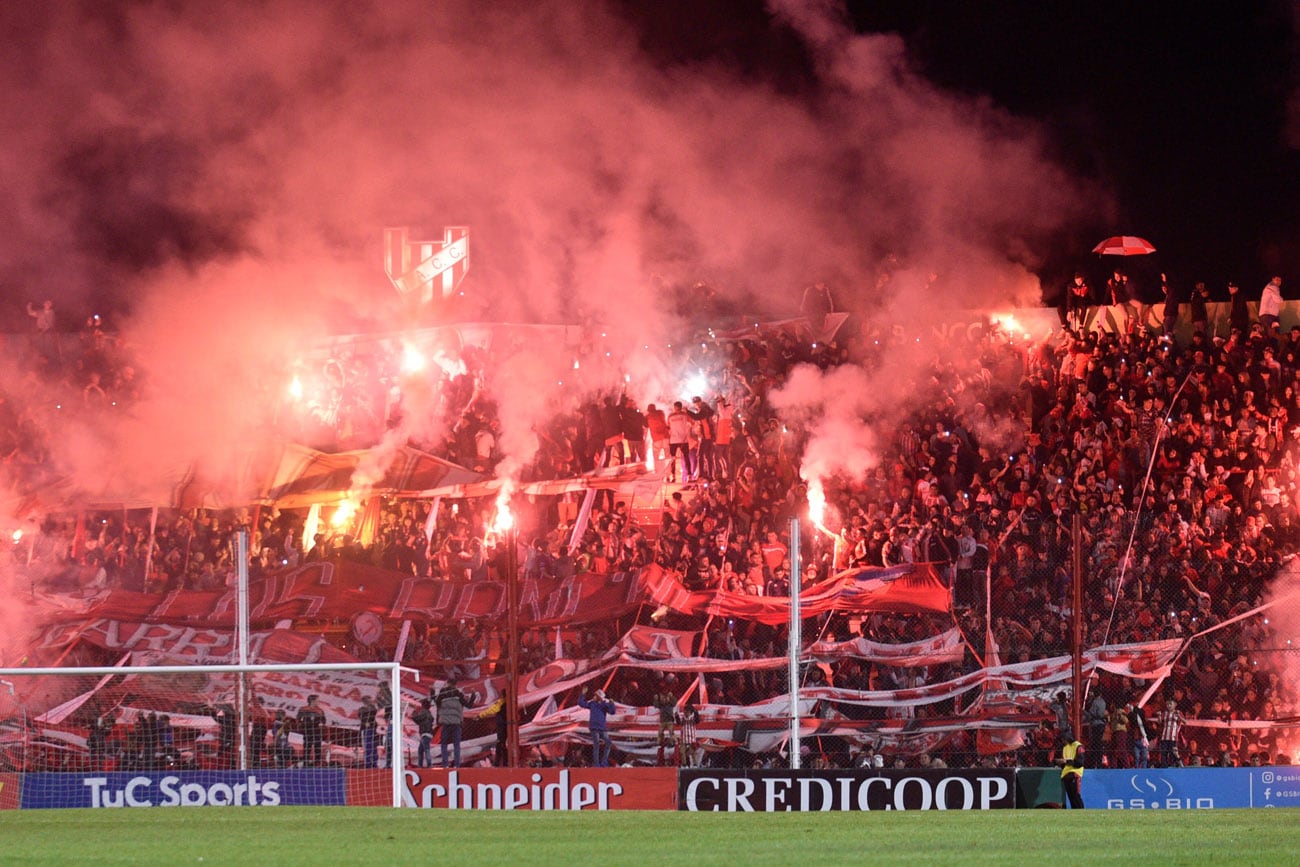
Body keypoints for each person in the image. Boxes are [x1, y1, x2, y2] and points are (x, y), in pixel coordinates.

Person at [435, 677, 471, 768]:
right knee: (456, 745)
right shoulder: (459, 694)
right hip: (456, 723)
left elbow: (437, 703)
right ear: (456, 684)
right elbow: (469, 705)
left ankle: (445, 764)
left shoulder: (442, 693)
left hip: (446, 723)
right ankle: (457, 764)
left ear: (447, 683)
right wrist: (473, 695)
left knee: (444, 745)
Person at [578, 687, 616, 767]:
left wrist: (612, 704)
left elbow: (612, 712)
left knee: (608, 743)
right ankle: (596, 764)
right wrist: (583, 694)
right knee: (596, 744)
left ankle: (604, 762)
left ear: (598, 697)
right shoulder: (592, 704)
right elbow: (581, 703)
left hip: (602, 727)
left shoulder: (604, 705)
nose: (593, 697)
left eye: (595, 696)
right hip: (594, 727)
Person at [653, 678, 677, 765]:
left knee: (671, 732)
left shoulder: (670, 704)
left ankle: (674, 743)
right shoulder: (661, 705)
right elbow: (656, 705)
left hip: (670, 720)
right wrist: (656, 699)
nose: (664, 699)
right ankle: (660, 743)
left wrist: (671, 697)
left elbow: (675, 702)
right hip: (663, 721)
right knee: (660, 732)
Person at [1058, 731, 1085, 809]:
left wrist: (1066, 761)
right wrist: (1060, 763)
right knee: (1070, 796)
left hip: (1075, 773)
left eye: (1063, 739)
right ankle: (1075, 812)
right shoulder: (1065, 747)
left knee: (1075, 795)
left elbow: (1080, 763)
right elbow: (1065, 763)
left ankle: (1081, 811)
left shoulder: (1079, 746)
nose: (1063, 741)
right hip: (1066, 773)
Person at [297, 694, 326, 767]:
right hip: (307, 731)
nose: (318, 702)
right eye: (317, 700)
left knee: (317, 748)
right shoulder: (303, 709)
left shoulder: (320, 710)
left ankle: (317, 763)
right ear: (312, 701)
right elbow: (298, 719)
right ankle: (305, 764)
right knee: (307, 747)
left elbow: (324, 721)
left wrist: (322, 724)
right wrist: (301, 726)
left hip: (317, 731)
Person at [1156, 699, 1185, 768]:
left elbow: (1184, 722)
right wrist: (1159, 716)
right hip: (1165, 737)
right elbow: (1159, 722)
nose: (1169, 706)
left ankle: (1172, 766)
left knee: (1173, 753)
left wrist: (1179, 716)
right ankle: (1164, 767)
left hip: (1173, 737)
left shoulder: (1178, 712)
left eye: (1170, 704)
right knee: (1164, 753)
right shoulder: (1165, 713)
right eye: (1167, 704)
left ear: (1175, 705)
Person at [412, 698, 435, 768]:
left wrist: (414, 712)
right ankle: (421, 765)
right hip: (428, 733)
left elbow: (417, 718)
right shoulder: (428, 713)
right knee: (421, 750)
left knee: (425, 749)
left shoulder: (424, 712)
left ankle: (428, 764)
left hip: (425, 733)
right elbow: (419, 721)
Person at [358, 695, 379, 769]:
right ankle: (367, 764)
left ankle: (374, 763)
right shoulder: (362, 709)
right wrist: (366, 723)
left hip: (375, 729)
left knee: (374, 747)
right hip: (367, 730)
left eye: (370, 699)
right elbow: (362, 718)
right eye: (369, 699)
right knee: (368, 747)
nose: (370, 701)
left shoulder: (374, 708)